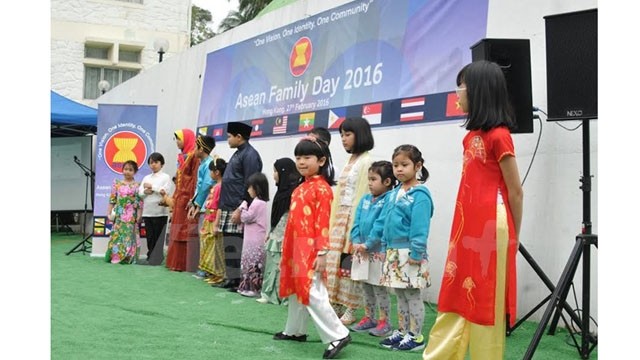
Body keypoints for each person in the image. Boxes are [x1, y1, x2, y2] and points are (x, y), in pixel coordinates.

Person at [423, 60, 523, 360]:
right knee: (458, 292)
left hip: (492, 226)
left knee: (485, 300)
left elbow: (515, 190)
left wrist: (515, 236)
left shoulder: (499, 135)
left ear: (478, 92)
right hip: (468, 226)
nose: (457, 95)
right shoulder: (471, 136)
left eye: (461, 87)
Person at [274, 136, 351, 360]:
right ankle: (295, 330)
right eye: (298, 157)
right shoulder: (301, 188)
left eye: (307, 157)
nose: (301, 161)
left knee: (312, 291)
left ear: (322, 160)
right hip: (295, 247)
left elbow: (322, 224)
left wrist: (322, 252)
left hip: (311, 249)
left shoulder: (323, 189)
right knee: (299, 290)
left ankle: (338, 334)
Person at [372, 144, 433, 352]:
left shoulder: (420, 194)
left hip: (410, 253)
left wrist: (417, 252)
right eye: (396, 165)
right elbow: (384, 223)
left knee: (412, 295)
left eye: (404, 165)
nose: (399, 169)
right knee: (399, 295)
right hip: (393, 253)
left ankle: (416, 337)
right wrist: (383, 247)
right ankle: (403, 331)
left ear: (418, 166)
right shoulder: (393, 193)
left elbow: (420, 226)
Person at [326, 117, 375, 325]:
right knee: (335, 262)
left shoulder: (366, 161)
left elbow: (364, 194)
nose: (343, 139)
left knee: (349, 263)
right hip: (340, 217)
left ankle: (351, 307)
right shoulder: (350, 161)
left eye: (348, 134)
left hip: (354, 218)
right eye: (342, 135)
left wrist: (356, 225)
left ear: (360, 134)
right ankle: (335, 302)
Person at [349, 161, 396, 337]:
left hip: (376, 252)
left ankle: (385, 322)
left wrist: (368, 244)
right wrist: (355, 240)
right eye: (369, 179)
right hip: (361, 251)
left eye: (373, 179)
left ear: (387, 182)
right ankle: (369, 317)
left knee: (378, 287)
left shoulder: (389, 199)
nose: (369, 183)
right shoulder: (365, 199)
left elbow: (381, 225)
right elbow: (356, 221)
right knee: (365, 286)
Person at [215, 121, 263, 289]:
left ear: (239, 137)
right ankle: (231, 278)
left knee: (237, 243)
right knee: (229, 242)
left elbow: (250, 184)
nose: (227, 140)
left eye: (229, 137)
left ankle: (238, 280)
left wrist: (241, 207)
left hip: (238, 205)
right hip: (229, 205)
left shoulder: (250, 155)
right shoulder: (238, 153)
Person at [257, 158, 302, 305]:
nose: (274, 175)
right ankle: (269, 293)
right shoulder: (281, 191)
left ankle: (284, 296)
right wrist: (271, 232)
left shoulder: (293, 192)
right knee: (272, 263)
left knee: (282, 265)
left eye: (276, 171)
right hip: (276, 233)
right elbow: (275, 216)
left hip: (286, 234)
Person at [166, 129, 201, 272]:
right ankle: (175, 262)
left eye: (179, 139)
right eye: (176, 139)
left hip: (188, 198)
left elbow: (194, 179)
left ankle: (185, 264)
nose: (177, 142)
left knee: (185, 230)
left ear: (186, 139)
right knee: (177, 228)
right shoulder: (182, 156)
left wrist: (192, 198)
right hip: (180, 196)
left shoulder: (193, 156)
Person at [236, 172, 270, 297]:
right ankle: (245, 286)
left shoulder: (258, 203)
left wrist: (243, 207)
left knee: (253, 262)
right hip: (252, 238)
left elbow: (246, 217)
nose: (248, 190)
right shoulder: (259, 202)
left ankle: (253, 288)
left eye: (250, 187)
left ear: (257, 188)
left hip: (254, 240)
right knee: (248, 261)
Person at [138, 152, 173, 265]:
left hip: (160, 212)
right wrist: (146, 191)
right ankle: (150, 255)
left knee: (159, 236)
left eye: (156, 162)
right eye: (151, 162)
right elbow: (140, 193)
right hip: (148, 211)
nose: (153, 165)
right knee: (150, 236)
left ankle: (157, 257)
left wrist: (152, 187)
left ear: (161, 164)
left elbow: (165, 191)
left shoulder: (166, 177)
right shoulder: (146, 177)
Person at [105, 160, 143, 264]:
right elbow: (112, 199)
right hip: (119, 214)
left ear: (134, 172)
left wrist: (139, 215)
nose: (127, 172)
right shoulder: (117, 183)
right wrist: (109, 212)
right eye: (125, 169)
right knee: (118, 235)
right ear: (122, 170)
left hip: (131, 215)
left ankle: (129, 257)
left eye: (130, 170)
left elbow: (139, 201)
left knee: (129, 236)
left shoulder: (137, 185)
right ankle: (116, 256)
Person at [190, 135, 217, 277]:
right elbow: (199, 186)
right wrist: (193, 202)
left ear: (201, 149)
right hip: (202, 204)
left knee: (207, 237)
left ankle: (206, 269)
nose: (194, 150)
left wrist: (197, 203)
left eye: (195, 147)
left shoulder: (209, 164)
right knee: (203, 237)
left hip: (208, 206)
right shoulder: (203, 163)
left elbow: (206, 185)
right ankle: (204, 267)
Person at [200, 158, 227, 286]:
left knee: (216, 247)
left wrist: (216, 222)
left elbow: (218, 205)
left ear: (216, 172)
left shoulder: (221, 187)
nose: (210, 173)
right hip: (208, 218)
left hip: (214, 218)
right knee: (208, 245)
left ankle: (219, 273)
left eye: (211, 171)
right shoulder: (216, 186)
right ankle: (212, 272)